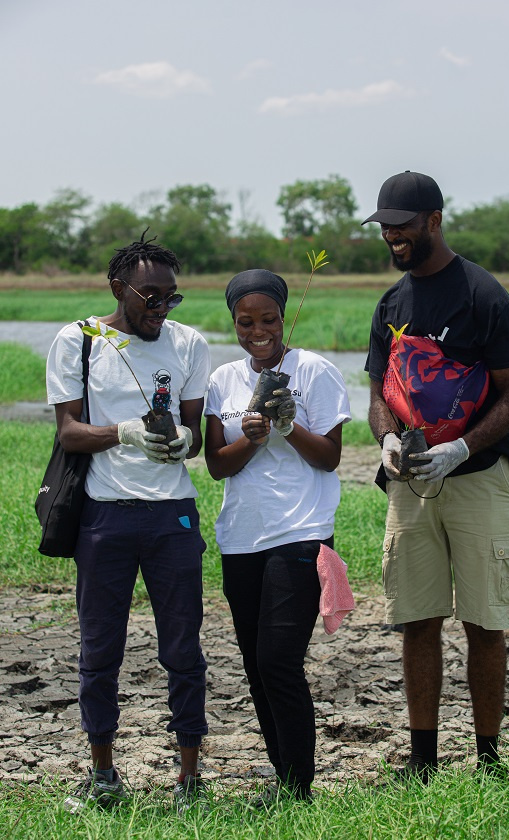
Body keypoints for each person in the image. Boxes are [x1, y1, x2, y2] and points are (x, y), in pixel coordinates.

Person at [362, 170, 509, 780]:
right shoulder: (392, 303)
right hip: (410, 484)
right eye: (385, 227)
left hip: (478, 477)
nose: (392, 237)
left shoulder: (483, 295)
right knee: (417, 618)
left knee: (486, 621)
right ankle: (423, 759)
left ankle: (488, 758)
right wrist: (385, 440)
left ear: (434, 220)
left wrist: (461, 448)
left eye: (402, 225)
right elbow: (381, 391)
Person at [46, 231, 211, 814]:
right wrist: (125, 432)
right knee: (100, 649)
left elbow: (194, 432)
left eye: (172, 297)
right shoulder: (80, 341)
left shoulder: (189, 343)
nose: (161, 309)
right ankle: (103, 774)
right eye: (150, 297)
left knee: (183, 649)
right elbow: (69, 432)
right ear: (118, 288)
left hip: (173, 518)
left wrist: (184, 440)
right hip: (104, 516)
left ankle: (190, 777)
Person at [204, 269, 351, 802]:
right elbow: (218, 467)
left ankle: (299, 785)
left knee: (277, 660)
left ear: (284, 316)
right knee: (255, 665)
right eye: (246, 322)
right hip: (241, 540)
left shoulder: (313, 371)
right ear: (234, 322)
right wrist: (251, 437)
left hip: (301, 534)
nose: (257, 331)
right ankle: (285, 777)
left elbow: (331, 458)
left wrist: (288, 428)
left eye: (268, 319)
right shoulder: (223, 380)